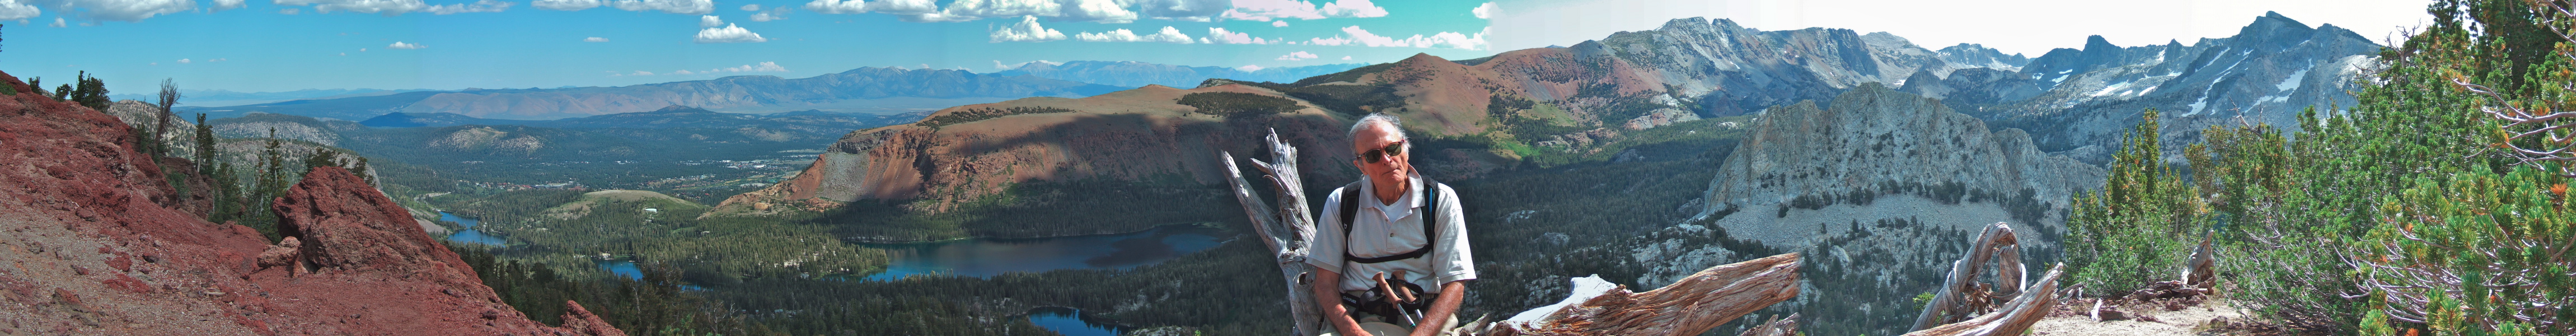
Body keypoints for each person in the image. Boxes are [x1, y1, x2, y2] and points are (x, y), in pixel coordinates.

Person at [1308, 113, 1475, 336]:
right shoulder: (1342, 203)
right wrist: (1353, 332)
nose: (1387, 159)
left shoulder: (1440, 199)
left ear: (1405, 149)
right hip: (1357, 315)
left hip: (1425, 316)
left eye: (1393, 148)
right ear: (1361, 166)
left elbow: (1455, 284)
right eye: (1373, 155)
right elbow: (1325, 283)